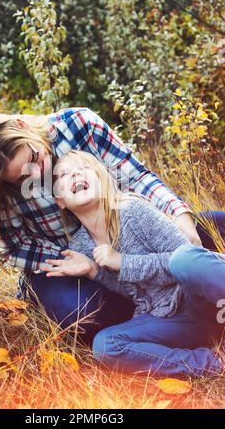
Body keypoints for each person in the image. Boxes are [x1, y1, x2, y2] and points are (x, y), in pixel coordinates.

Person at [0, 107, 225, 345]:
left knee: (215, 229)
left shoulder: (79, 125)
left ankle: (186, 300)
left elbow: (136, 178)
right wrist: (84, 262)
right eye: (21, 177)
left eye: (34, 159)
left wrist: (180, 217)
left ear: (22, 126)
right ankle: (156, 314)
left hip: (132, 232)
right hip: (72, 264)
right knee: (81, 312)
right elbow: (14, 248)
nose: (37, 173)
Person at [40, 150, 225, 377]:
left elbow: (185, 260)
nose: (76, 174)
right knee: (106, 345)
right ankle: (213, 363)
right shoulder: (80, 246)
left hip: (203, 297)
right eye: (64, 175)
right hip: (172, 318)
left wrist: (123, 262)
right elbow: (135, 293)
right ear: (60, 200)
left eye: (85, 168)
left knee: (184, 259)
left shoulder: (132, 210)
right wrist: (94, 271)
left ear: (103, 179)